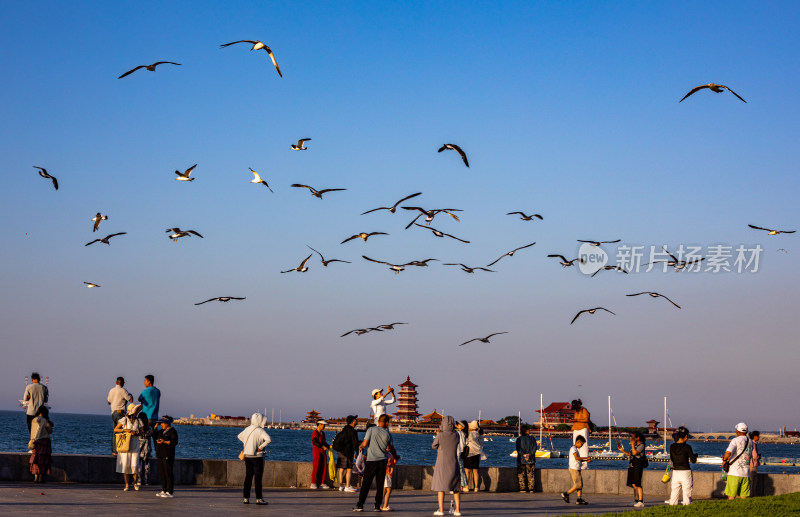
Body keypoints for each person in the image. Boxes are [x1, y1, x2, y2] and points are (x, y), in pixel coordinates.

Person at [353, 414, 399, 512]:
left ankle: (360, 505)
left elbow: (365, 444)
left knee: (366, 484)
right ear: (387, 423)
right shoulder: (388, 435)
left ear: (378, 421)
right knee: (380, 484)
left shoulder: (371, 430)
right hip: (382, 461)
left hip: (371, 461)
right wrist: (395, 456)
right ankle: (377, 506)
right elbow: (391, 449)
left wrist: (360, 446)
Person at [238, 413, 271, 505]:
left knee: (248, 477)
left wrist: (247, 444)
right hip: (258, 457)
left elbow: (239, 436)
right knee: (258, 478)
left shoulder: (248, 429)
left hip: (248, 456)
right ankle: (259, 499)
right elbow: (268, 439)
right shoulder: (260, 431)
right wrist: (260, 447)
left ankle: (246, 498)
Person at [432, 415, 462, 516]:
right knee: (456, 488)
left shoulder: (440, 435)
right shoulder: (456, 435)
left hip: (442, 463)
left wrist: (438, 434)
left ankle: (441, 510)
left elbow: (434, 446)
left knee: (441, 488)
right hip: (453, 462)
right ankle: (457, 510)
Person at [114, 403, 142, 491]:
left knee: (134, 465)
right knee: (125, 465)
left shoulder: (138, 421)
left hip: (135, 444)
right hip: (126, 444)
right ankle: (126, 485)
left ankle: (134, 483)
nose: (137, 413)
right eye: (135, 411)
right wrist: (125, 430)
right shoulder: (124, 420)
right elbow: (115, 429)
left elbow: (141, 432)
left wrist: (136, 433)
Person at [722, 422, 752, 500]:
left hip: (734, 472)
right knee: (744, 497)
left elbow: (728, 452)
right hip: (746, 473)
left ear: (737, 431)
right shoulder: (750, 441)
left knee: (731, 496)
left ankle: (730, 510)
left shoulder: (735, 440)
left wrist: (724, 460)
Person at [668, 426, 697, 506]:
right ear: (686, 436)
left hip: (676, 472)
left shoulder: (672, 446)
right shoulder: (687, 447)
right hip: (685, 471)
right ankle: (686, 507)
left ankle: (672, 508)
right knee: (687, 492)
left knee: (674, 492)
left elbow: (672, 459)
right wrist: (695, 456)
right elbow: (693, 460)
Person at [618, 431, 646, 508]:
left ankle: (641, 501)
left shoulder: (641, 445)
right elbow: (630, 454)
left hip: (638, 466)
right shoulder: (636, 445)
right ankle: (636, 500)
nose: (632, 439)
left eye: (633, 437)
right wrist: (622, 450)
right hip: (632, 465)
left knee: (638, 483)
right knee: (633, 484)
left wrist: (633, 444)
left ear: (638, 438)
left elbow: (635, 453)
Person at [561, 435, 591, 505]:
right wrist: (586, 458)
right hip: (574, 469)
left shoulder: (575, 449)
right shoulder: (573, 449)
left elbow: (577, 459)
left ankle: (579, 499)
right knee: (578, 485)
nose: (581, 445)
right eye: (581, 444)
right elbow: (577, 458)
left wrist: (586, 460)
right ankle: (566, 494)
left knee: (580, 485)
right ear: (577, 442)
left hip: (577, 468)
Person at [334, 415, 360, 492]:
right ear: (352, 421)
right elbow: (355, 444)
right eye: (356, 420)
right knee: (349, 469)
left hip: (341, 452)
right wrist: (358, 454)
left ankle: (341, 485)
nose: (357, 421)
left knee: (341, 469)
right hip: (348, 452)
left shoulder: (343, 430)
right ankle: (347, 486)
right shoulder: (353, 431)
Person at [107, 376, 133, 455]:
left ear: (116, 382)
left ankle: (114, 451)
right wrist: (130, 395)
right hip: (120, 413)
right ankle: (120, 450)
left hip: (113, 413)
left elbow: (109, 402)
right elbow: (131, 400)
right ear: (123, 383)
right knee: (121, 431)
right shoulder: (123, 390)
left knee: (115, 431)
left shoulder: (111, 390)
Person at [154, 415, 178, 498]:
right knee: (162, 473)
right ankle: (164, 490)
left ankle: (170, 491)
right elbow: (153, 435)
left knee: (168, 473)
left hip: (168, 455)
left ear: (167, 423)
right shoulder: (160, 432)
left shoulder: (172, 431)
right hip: (160, 454)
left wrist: (164, 441)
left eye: (162, 423)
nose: (161, 425)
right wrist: (155, 427)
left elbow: (174, 442)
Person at [28, 406, 53, 483]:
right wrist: (50, 425)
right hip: (44, 442)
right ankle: (40, 478)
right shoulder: (44, 421)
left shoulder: (33, 420)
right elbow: (50, 431)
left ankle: (35, 478)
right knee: (43, 460)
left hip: (35, 441)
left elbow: (32, 431)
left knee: (36, 460)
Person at [515, 424, 537, 493]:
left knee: (521, 474)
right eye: (528, 430)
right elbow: (534, 448)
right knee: (531, 474)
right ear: (526, 431)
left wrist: (524, 455)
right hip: (531, 459)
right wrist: (529, 455)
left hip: (521, 459)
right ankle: (531, 488)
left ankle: (522, 488)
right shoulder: (533, 439)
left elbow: (518, 449)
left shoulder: (519, 439)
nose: (530, 431)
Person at [463, 420, 483, 491]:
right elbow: (481, 444)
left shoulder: (469, 434)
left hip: (469, 453)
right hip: (477, 454)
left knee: (467, 471)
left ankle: (466, 487)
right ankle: (476, 487)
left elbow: (465, 442)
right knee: (475, 471)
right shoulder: (479, 435)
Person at [311, 419, 330, 489]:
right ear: (319, 425)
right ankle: (313, 482)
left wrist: (328, 446)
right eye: (323, 425)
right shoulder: (315, 433)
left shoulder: (323, 433)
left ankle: (322, 483)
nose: (324, 426)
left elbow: (323, 442)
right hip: (317, 452)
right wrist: (322, 446)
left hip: (323, 452)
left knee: (324, 467)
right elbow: (314, 441)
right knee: (316, 467)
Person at [571, 399, 590, 470]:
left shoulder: (584, 410)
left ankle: (585, 464)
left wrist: (575, 420)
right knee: (576, 445)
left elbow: (586, 419)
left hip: (583, 428)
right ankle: (577, 462)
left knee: (584, 445)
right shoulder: (576, 411)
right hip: (576, 428)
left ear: (579, 404)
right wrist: (574, 420)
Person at [455, 420, 469, 492]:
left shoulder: (458, 433)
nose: (457, 425)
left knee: (459, 470)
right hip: (461, 452)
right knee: (461, 469)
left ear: (463, 427)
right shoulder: (463, 433)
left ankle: (465, 486)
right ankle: (461, 486)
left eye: (459, 425)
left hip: (457, 452)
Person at [749, 430, 761, 495]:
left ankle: (751, 494)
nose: (759, 437)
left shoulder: (750, 443)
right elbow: (755, 456)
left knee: (752, 481)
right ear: (755, 436)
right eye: (758, 436)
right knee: (753, 481)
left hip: (750, 464)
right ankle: (752, 494)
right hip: (753, 464)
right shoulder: (754, 444)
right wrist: (758, 456)